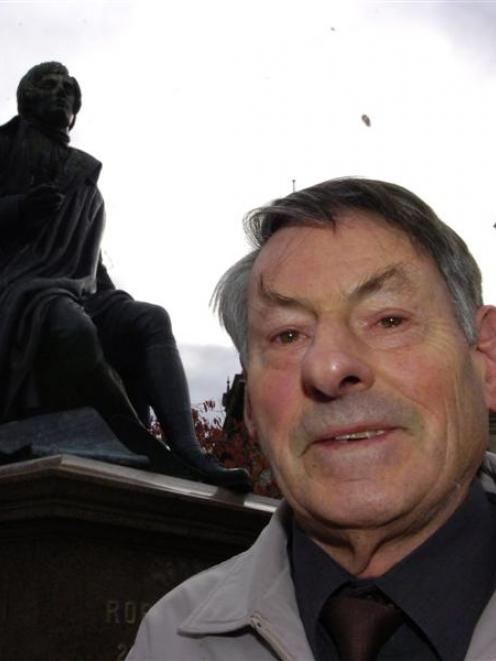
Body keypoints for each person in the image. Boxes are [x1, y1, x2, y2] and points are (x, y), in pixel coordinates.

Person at [127, 177, 496, 660]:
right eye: (287, 336)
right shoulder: (170, 641)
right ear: (251, 409)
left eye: (388, 320)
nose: (328, 367)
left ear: (485, 361)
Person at [0, 61, 251, 491]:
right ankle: (125, 429)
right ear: (26, 97)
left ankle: (187, 451)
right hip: (16, 290)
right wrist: (19, 208)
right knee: (68, 326)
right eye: (49, 85)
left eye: (69, 89)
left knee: (148, 318)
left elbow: (88, 265)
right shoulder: (4, 148)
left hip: (74, 290)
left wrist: (117, 303)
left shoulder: (85, 180)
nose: (62, 93)